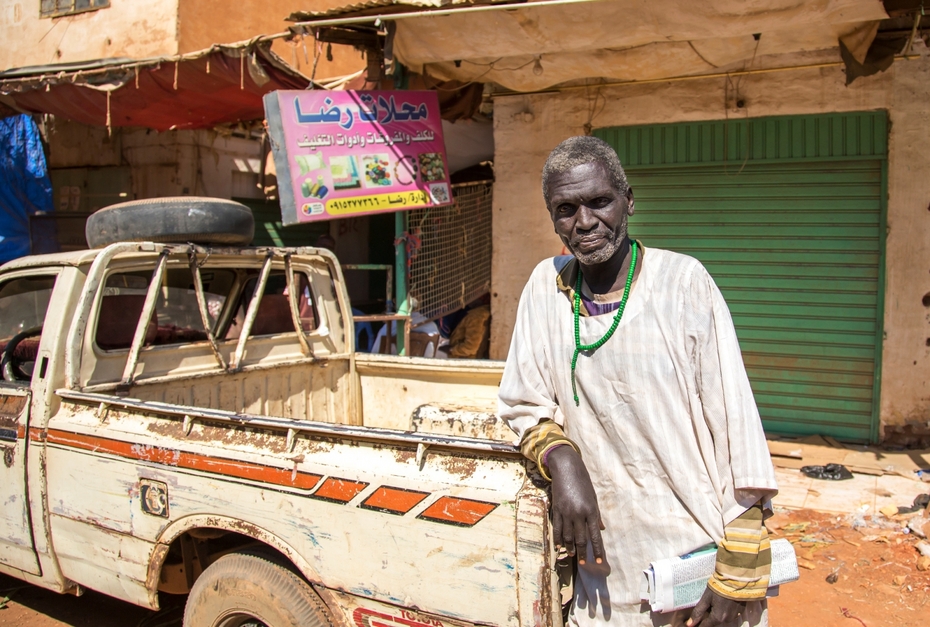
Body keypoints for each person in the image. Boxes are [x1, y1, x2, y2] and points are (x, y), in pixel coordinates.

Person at [498, 136, 777, 627]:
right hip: (606, 567)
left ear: (628, 199)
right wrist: (561, 459)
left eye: (598, 202)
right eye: (565, 209)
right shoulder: (547, 286)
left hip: (698, 561)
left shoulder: (682, 283)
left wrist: (739, 565)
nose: (583, 222)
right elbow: (523, 402)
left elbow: (735, 422)